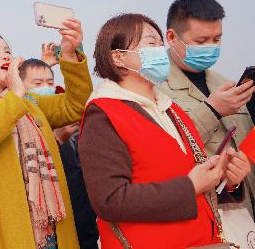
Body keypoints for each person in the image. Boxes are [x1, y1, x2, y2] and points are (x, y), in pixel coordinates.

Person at [79, 13, 250, 248]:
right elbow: (110, 200)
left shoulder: (170, 108)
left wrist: (225, 178)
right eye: (151, 44)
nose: (161, 51)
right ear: (118, 57)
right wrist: (190, 186)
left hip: (202, 240)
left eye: (161, 44)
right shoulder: (104, 113)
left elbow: (187, 175)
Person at [0, 19, 92, 249]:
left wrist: (70, 55)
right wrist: (14, 97)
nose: (5, 55)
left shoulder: (29, 101)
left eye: (7, 50)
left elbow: (77, 105)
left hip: (49, 229)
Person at [158, 0, 255, 217]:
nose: (210, 48)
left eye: (217, 39)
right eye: (200, 42)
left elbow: (246, 148)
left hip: (244, 212)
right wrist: (212, 111)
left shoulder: (226, 83)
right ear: (172, 37)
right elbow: (161, 151)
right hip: (200, 213)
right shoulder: (153, 88)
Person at [19, 58, 98, 249]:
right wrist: (57, 140)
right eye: (37, 84)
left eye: (49, 82)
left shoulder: (69, 121)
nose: (45, 88)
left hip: (82, 219)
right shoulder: (21, 123)